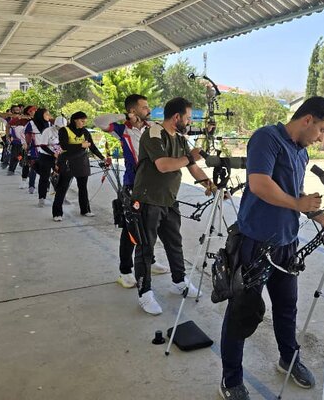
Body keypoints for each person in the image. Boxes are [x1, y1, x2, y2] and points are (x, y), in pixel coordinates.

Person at [218, 96, 324, 400]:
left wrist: (319, 215)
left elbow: (293, 193)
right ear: (307, 120)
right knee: (241, 314)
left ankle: (289, 359)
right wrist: (298, 203)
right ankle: (230, 380)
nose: (321, 137)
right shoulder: (266, 138)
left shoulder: (300, 153)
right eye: (322, 129)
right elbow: (259, 184)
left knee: (287, 310)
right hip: (254, 245)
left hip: (287, 245)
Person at [132, 97, 216, 315]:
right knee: (145, 248)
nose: (189, 122)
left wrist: (210, 185)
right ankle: (144, 293)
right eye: (187, 118)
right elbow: (163, 165)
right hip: (148, 200)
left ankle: (179, 282)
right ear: (176, 117)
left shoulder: (179, 138)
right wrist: (189, 157)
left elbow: (193, 167)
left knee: (174, 243)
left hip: (168, 200)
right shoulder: (153, 134)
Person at [94, 94, 169, 289]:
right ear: (133, 110)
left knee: (151, 226)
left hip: (152, 185)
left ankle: (149, 261)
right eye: (144, 107)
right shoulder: (122, 129)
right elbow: (98, 121)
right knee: (131, 230)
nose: (148, 110)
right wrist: (123, 116)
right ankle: (125, 271)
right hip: (132, 185)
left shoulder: (152, 128)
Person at [52, 111, 108, 221]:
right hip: (67, 162)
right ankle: (57, 213)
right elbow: (64, 146)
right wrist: (81, 145)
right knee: (62, 188)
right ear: (75, 120)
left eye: (85, 121)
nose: (84, 123)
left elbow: (92, 147)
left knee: (83, 188)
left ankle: (85, 210)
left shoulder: (85, 132)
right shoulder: (65, 130)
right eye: (82, 121)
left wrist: (103, 158)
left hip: (82, 162)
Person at [37, 115, 67, 207]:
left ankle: (61, 196)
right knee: (44, 177)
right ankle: (42, 198)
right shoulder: (48, 131)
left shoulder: (65, 132)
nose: (60, 129)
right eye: (58, 127)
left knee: (61, 176)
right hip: (45, 156)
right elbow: (42, 145)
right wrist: (52, 153)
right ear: (55, 125)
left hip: (58, 156)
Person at [24, 108, 51, 194]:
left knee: (47, 168)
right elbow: (27, 135)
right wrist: (27, 144)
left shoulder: (49, 124)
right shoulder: (31, 123)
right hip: (35, 149)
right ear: (40, 115)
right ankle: (31, 185)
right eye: (46, 114)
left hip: (47, 149)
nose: (49, 116)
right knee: (34, 168)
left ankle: (46, 185)